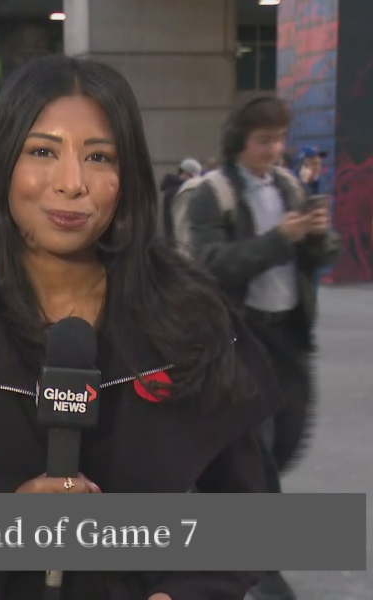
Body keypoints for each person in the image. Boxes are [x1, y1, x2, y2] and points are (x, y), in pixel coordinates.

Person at [0, 55, 284, 600]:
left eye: (99, 157)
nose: (72, 184)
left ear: (128, 176)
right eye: (43, 151)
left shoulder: (191, 315)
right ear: (3, 163)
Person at [186, 97, 339, 600]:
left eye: (279, 139)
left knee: (284, 443)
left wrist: (316, 237)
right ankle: (264, 573)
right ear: (239, 142)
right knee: (259, 455)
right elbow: (212, 263)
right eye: (264, 140)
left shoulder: (291, 187)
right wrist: (279, 238)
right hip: (240, 339)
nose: (274, 149)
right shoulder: (217, 193)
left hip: (288, 337)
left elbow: (320, 254)